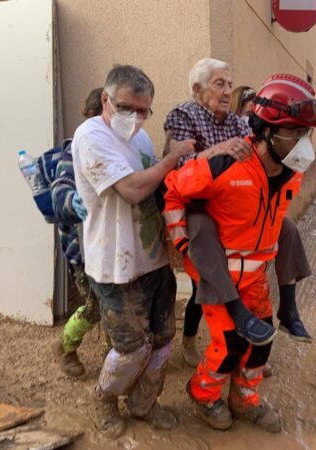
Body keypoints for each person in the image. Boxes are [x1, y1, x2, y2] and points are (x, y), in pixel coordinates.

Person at [164, 73, 316, 433]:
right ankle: (204, 394)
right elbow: (173, 191)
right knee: (230, 344)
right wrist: (184, 245)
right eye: (296, 133)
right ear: (268, 131)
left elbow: (274, 223)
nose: (304, 143)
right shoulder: (226, 164)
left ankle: (245, 400)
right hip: (218, 277)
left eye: (306, 134)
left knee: (263, 340)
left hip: (254, 278)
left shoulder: (292, 175)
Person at [72, 65, 194, 438]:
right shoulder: (91, 135)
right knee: (131, 347)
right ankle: (105, 399)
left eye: (144, 111)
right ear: (106, 99)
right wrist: (174, 156)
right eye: (128, 108)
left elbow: (157, 187)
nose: (136, 118)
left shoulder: (139, 138)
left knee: (162, 340)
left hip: (152, 258)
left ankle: (144, 404)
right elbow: (133, 190)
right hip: (114, 264)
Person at [52, 87, 104, 378]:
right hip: (81, 249)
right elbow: (60, 192)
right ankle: (66, 346)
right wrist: (74, 201)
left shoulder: (112, 147)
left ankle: (115, 357)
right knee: (95, 307)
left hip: (106, 245)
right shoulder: (74, 147)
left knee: (111, 307)